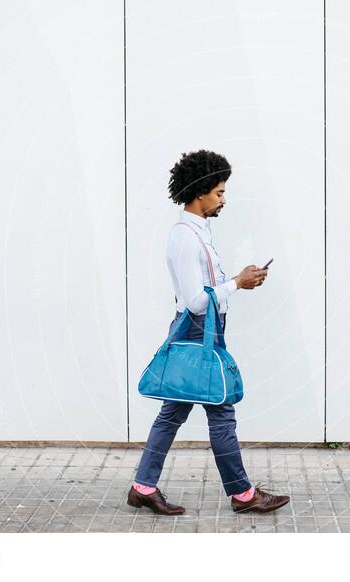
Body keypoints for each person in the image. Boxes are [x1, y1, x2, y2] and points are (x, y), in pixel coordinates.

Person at [127, 149, 290, 515]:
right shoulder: (185, 237)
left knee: (173, 413)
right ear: (200, 192)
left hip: (205, 331)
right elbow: (196, 302)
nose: (223, 199)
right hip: (199, 330)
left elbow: (206, 290)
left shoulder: (198, 232)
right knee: (221, 411)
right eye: (219, 192)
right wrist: (237, 283)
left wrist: (239, 280)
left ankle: (143, 486)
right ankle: (243, 495)